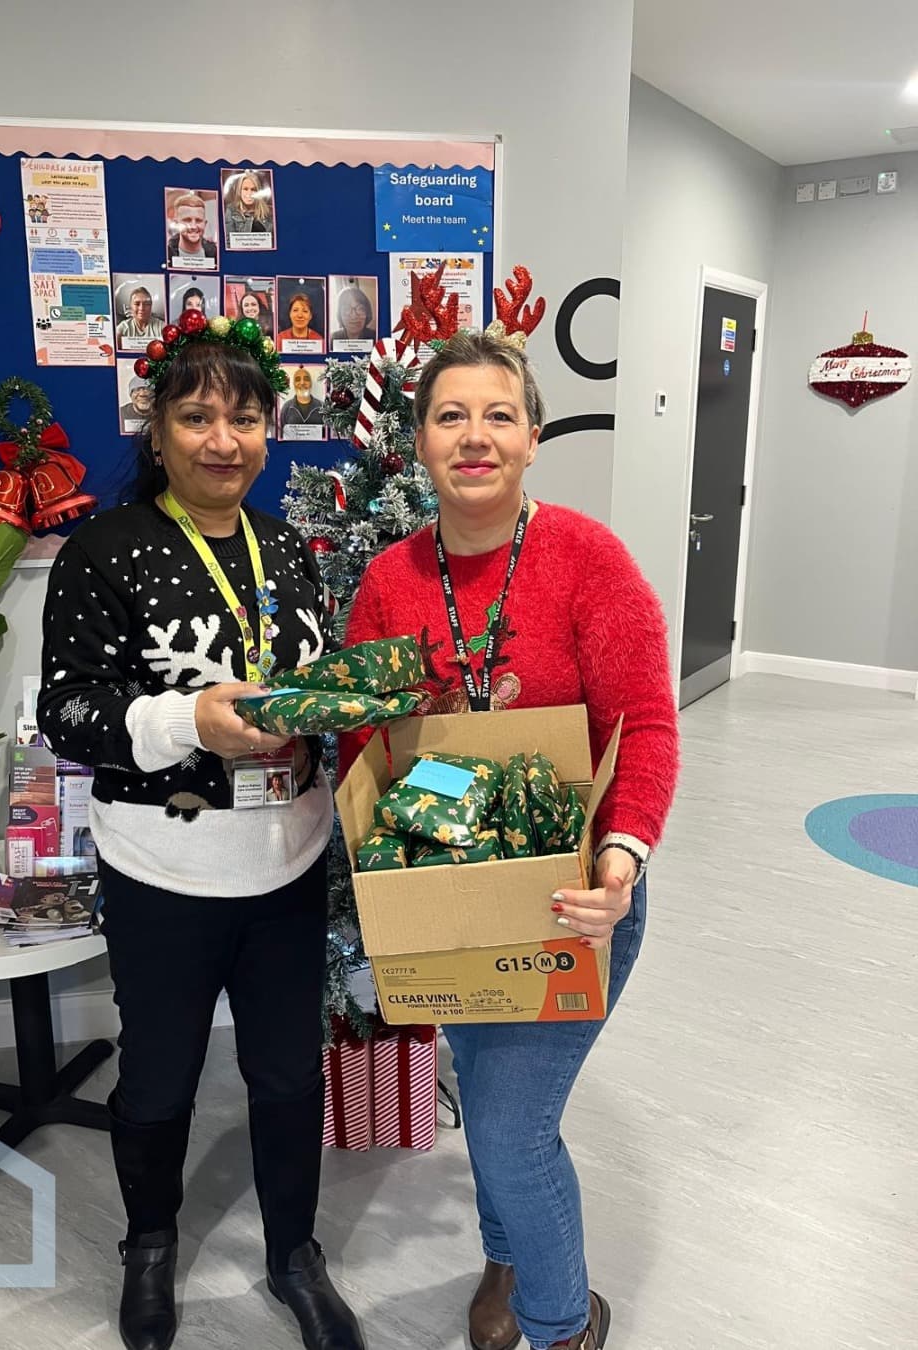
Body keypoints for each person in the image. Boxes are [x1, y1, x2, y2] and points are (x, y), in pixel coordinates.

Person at [340, 328, 679, 1350]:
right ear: (419, 443)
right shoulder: (391, 581)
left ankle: (560, 1325)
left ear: (533, 437)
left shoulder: (587, 559)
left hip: (574, 899)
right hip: (448, 895)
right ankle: (507, 1249)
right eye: (450, 416)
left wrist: (621, 861)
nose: (474, 437)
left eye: (498, 415)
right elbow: (367, 738)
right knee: (487, 1094)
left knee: (508, 1125)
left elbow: (647, 728)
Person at [38, 327, 364, 1350]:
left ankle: (294, 1254)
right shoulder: (104, 551)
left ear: (270, 427)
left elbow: (309, 681)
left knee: (285, 1073)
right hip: (164, 868)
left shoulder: (288, 551)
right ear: (160, 428)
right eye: (198, 416)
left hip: (289, 859)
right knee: (162, 1077)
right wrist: (189, 723)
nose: (225, 440)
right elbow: (68, 711)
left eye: (246, 416)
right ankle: (148, 1245)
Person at [168, 193, 218, 265]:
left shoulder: (217, 254)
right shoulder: (166, 254)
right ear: (176, 223)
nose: (193, 226)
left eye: (198, 220)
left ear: (205, 224)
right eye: (187, 220)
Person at [224, 170, 273, 235]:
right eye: (245, 189)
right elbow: (228, 240)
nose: (249, 193)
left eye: (253, 189)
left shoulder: (268, 211)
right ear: (239, 191)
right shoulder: (231, 210)